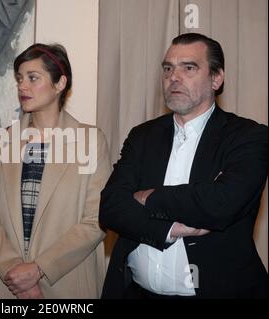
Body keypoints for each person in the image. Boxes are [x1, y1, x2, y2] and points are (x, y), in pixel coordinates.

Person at [100, 33, 268, 299]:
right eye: (168, 68)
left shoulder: (248, 136)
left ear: (216, 78)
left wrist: (147, 197)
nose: (173, 77)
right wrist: (171, 229)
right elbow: (110, 207)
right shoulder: (143, 135)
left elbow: (221, 203)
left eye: (188, 67)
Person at [0, 43, 112, 298]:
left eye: (32, 78)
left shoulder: (91, 141)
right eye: (19, 79)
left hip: (68, 283)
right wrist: (14, 270)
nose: (22, 86)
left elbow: (96, 219)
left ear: (60, 84)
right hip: (9, 285)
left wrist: (38, 269)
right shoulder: (3, 141)